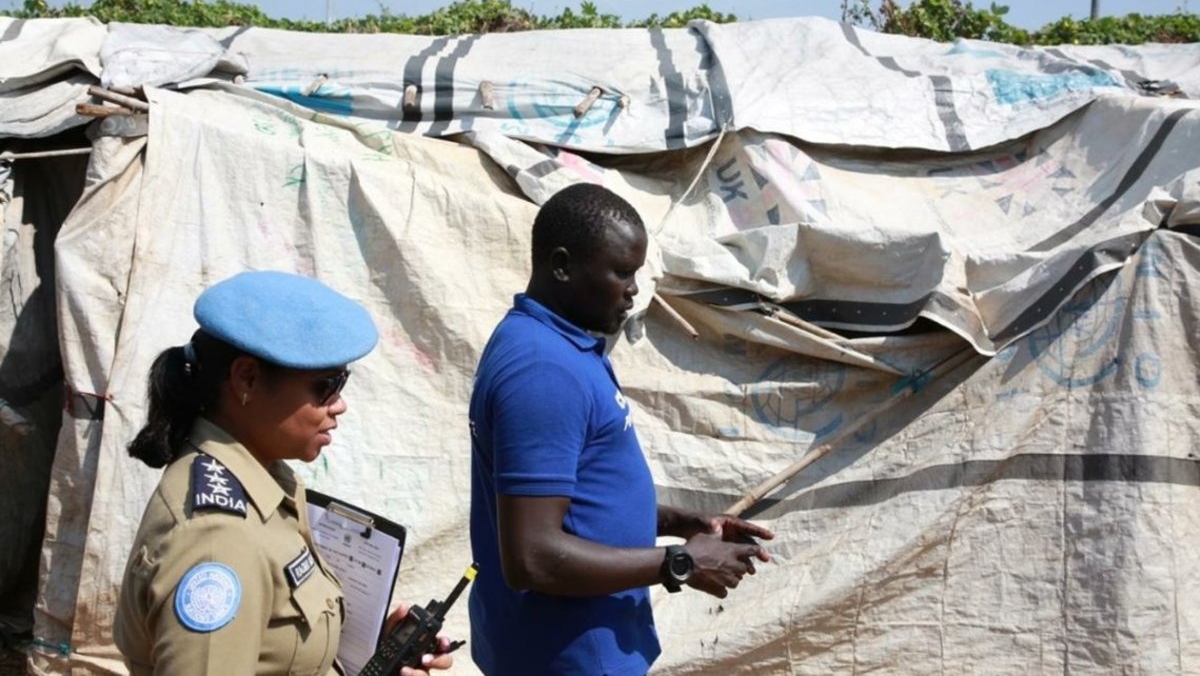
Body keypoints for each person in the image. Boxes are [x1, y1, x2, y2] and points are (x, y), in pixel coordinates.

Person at [468, 183, 775, 675]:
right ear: (563, 265)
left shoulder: (558, 343)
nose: (634, 289)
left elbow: (578, 503)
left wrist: (682, 524)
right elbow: (533, 558)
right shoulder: (544, 371)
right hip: (569, 655)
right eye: (622, 272)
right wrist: (681, 563)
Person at [113, 270, 454, 676]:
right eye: (326, 385)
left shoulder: (266, 479)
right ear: (248, 378)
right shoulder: (218, 541)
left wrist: (377, 657)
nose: (339, 404)